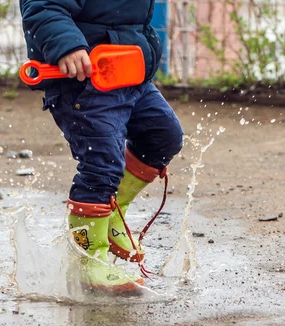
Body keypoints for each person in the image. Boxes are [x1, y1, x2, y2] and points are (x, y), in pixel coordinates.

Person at [20, 0, 184, 295]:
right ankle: (88, 259)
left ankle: (113, 212)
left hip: (129, 72)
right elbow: (43, 6)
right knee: (102, 164)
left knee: (164, 135)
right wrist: (67, 46)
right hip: (84, 79)